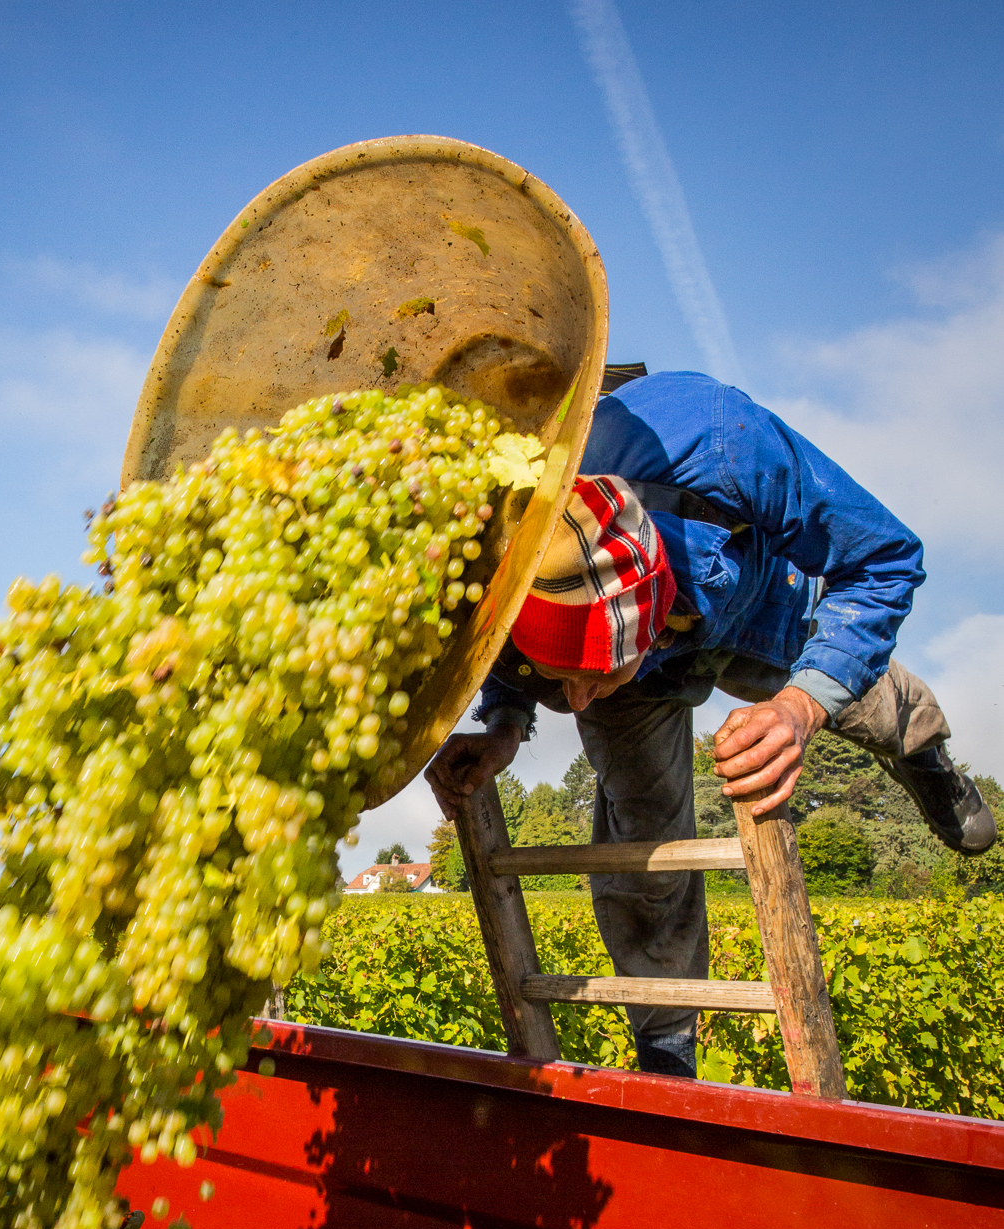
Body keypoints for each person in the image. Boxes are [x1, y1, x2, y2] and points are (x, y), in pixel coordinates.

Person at [426, 369, 997, 1079]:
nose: (575, 703)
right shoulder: (516, 548)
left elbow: (883, 559)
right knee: (643, 833)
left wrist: (798, 707)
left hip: (753, 599)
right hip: (645, 668)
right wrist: (505, 726)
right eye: (561, 677)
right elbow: (508, 655)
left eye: (591, 675)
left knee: (856, 688)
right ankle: (666, 1048)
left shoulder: (720, 440)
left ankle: (921, 753)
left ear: (648, 609)